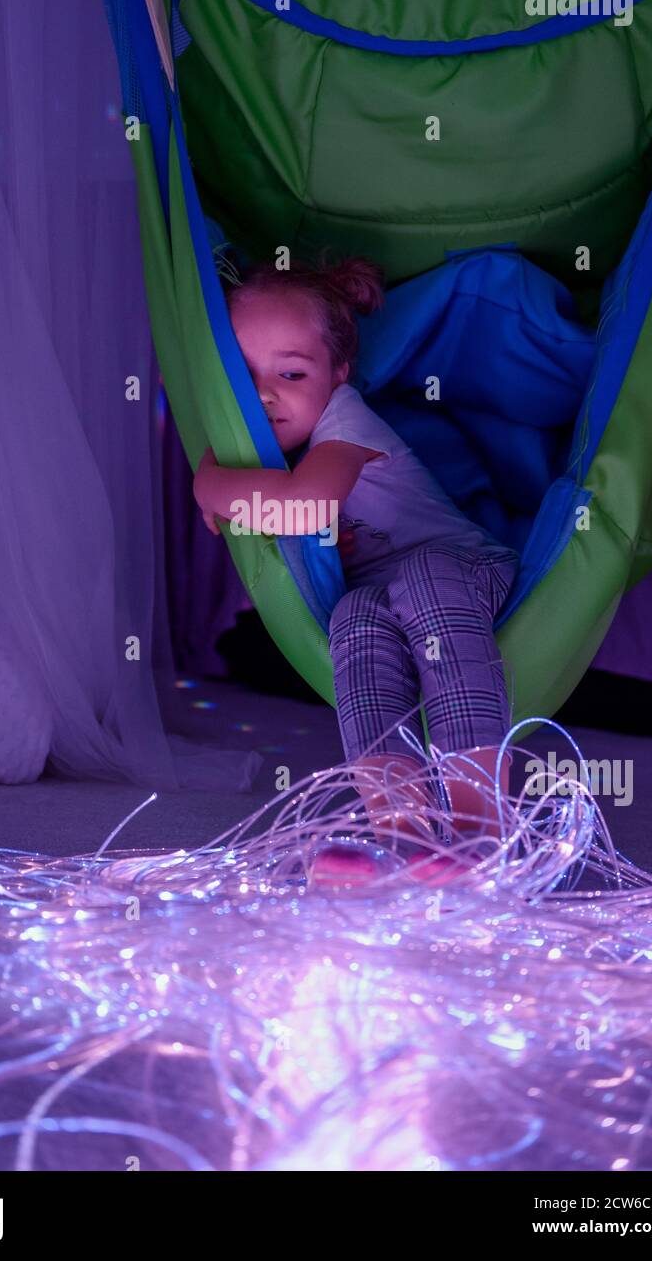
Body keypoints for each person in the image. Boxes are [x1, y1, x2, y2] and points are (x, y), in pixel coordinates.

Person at [192, 253, 521, 864]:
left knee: (422, 578)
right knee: (354, 619)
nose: (263, 393)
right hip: (387, 603)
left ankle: (483, 835)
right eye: (243, 374)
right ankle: (406, 841)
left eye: (291, 375)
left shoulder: (346, 420)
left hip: (465, 570)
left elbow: (299, 508)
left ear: (337, 373)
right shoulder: (262, 446)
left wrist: (207, 486)